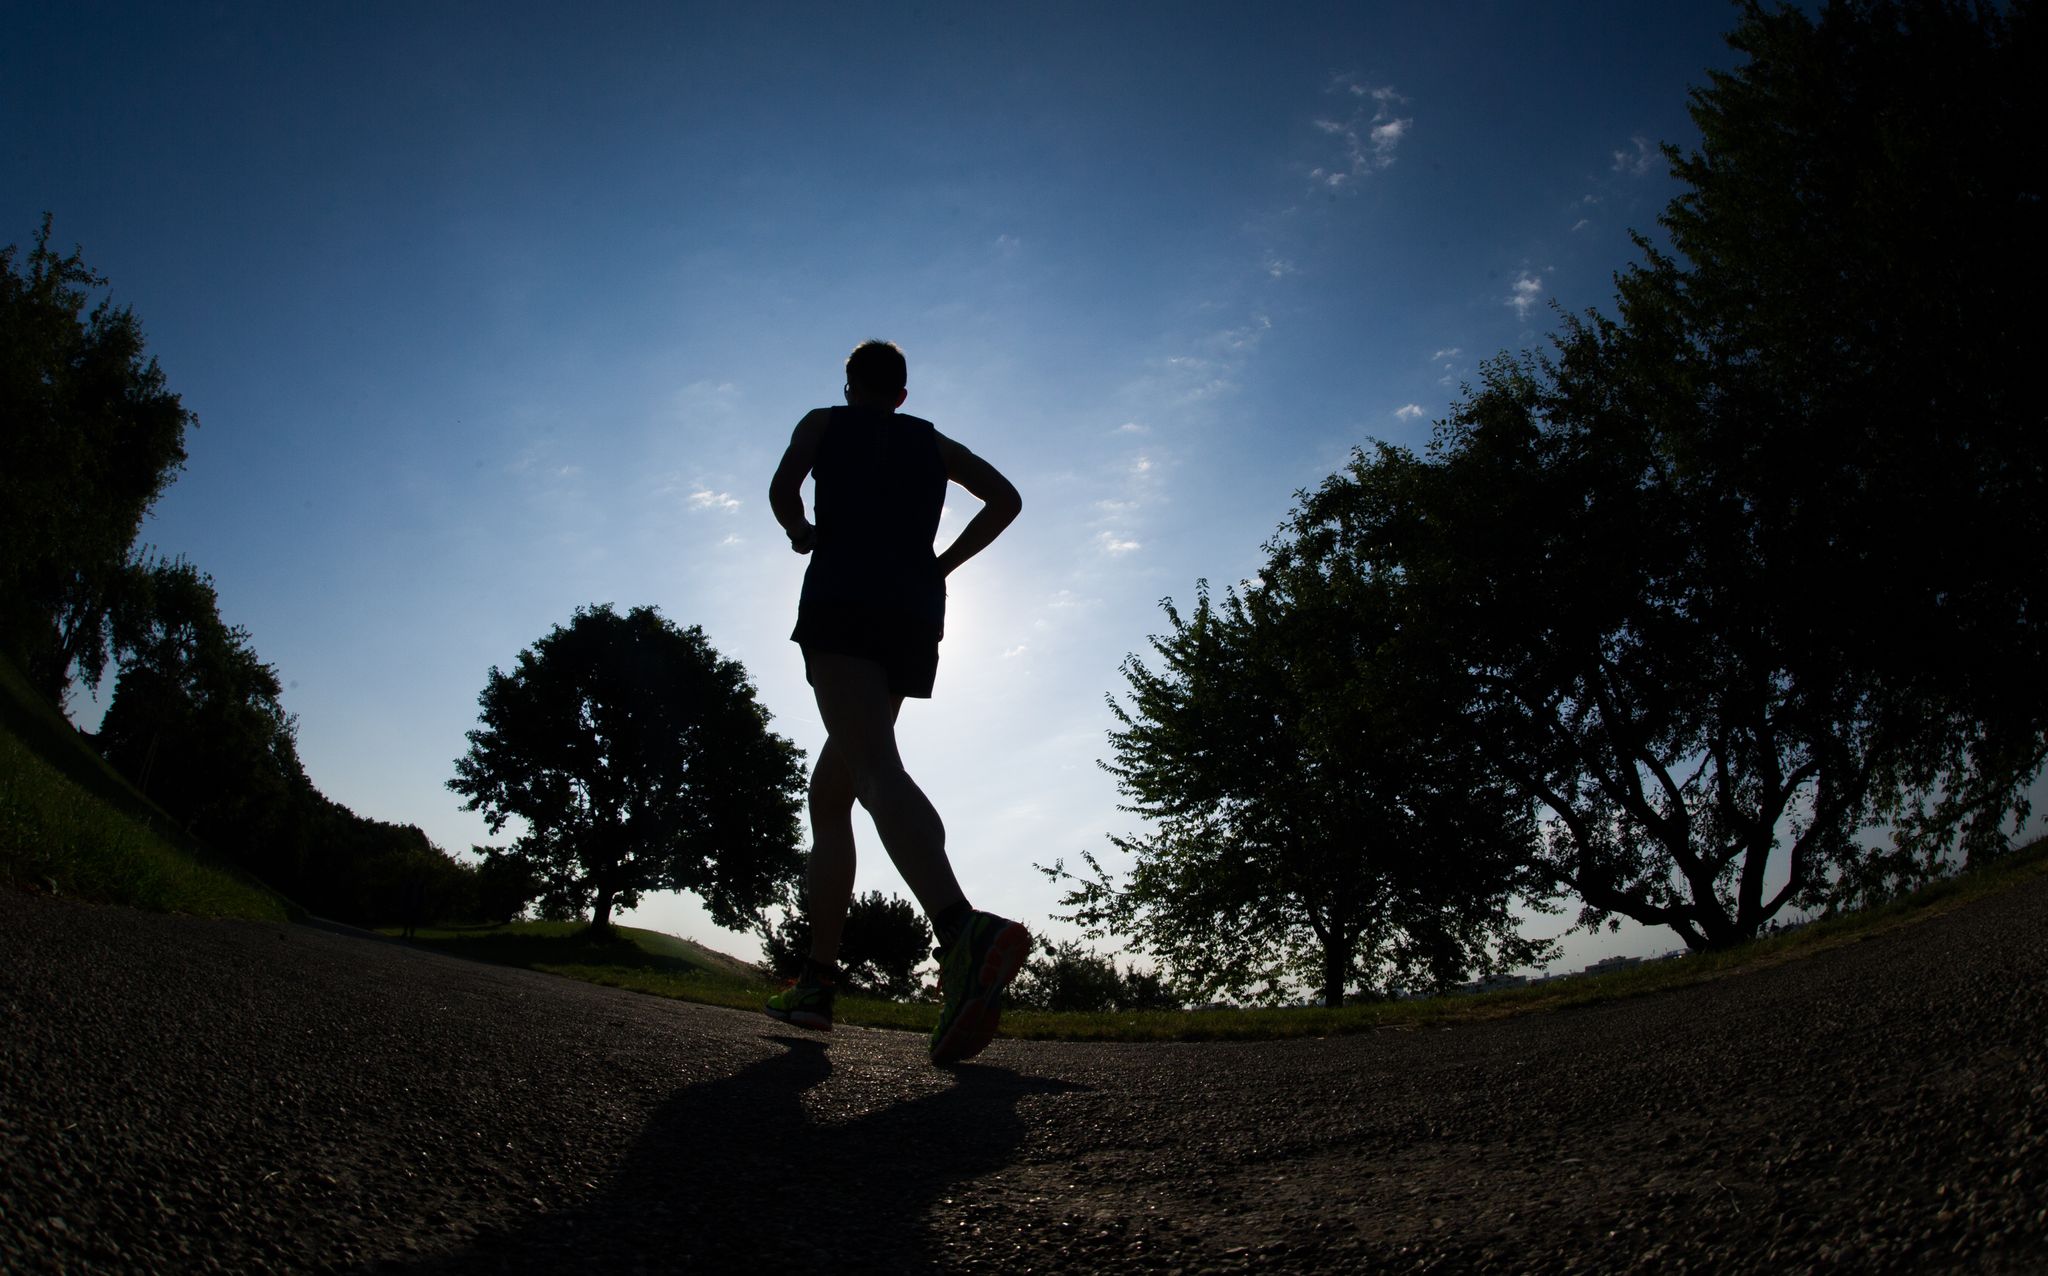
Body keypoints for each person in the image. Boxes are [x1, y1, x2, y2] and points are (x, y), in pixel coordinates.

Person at [763, 339, 1030, 1065]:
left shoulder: (823, 423)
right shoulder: (932, 442)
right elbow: (1006, 499)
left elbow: (784, 490)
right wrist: (942, 563)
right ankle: (817, 980)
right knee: (833, 791)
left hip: (843, 600)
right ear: (903, 394)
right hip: (912, 613)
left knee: (874, 768)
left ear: (851, 385)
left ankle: (961, 929)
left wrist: (801, 532)